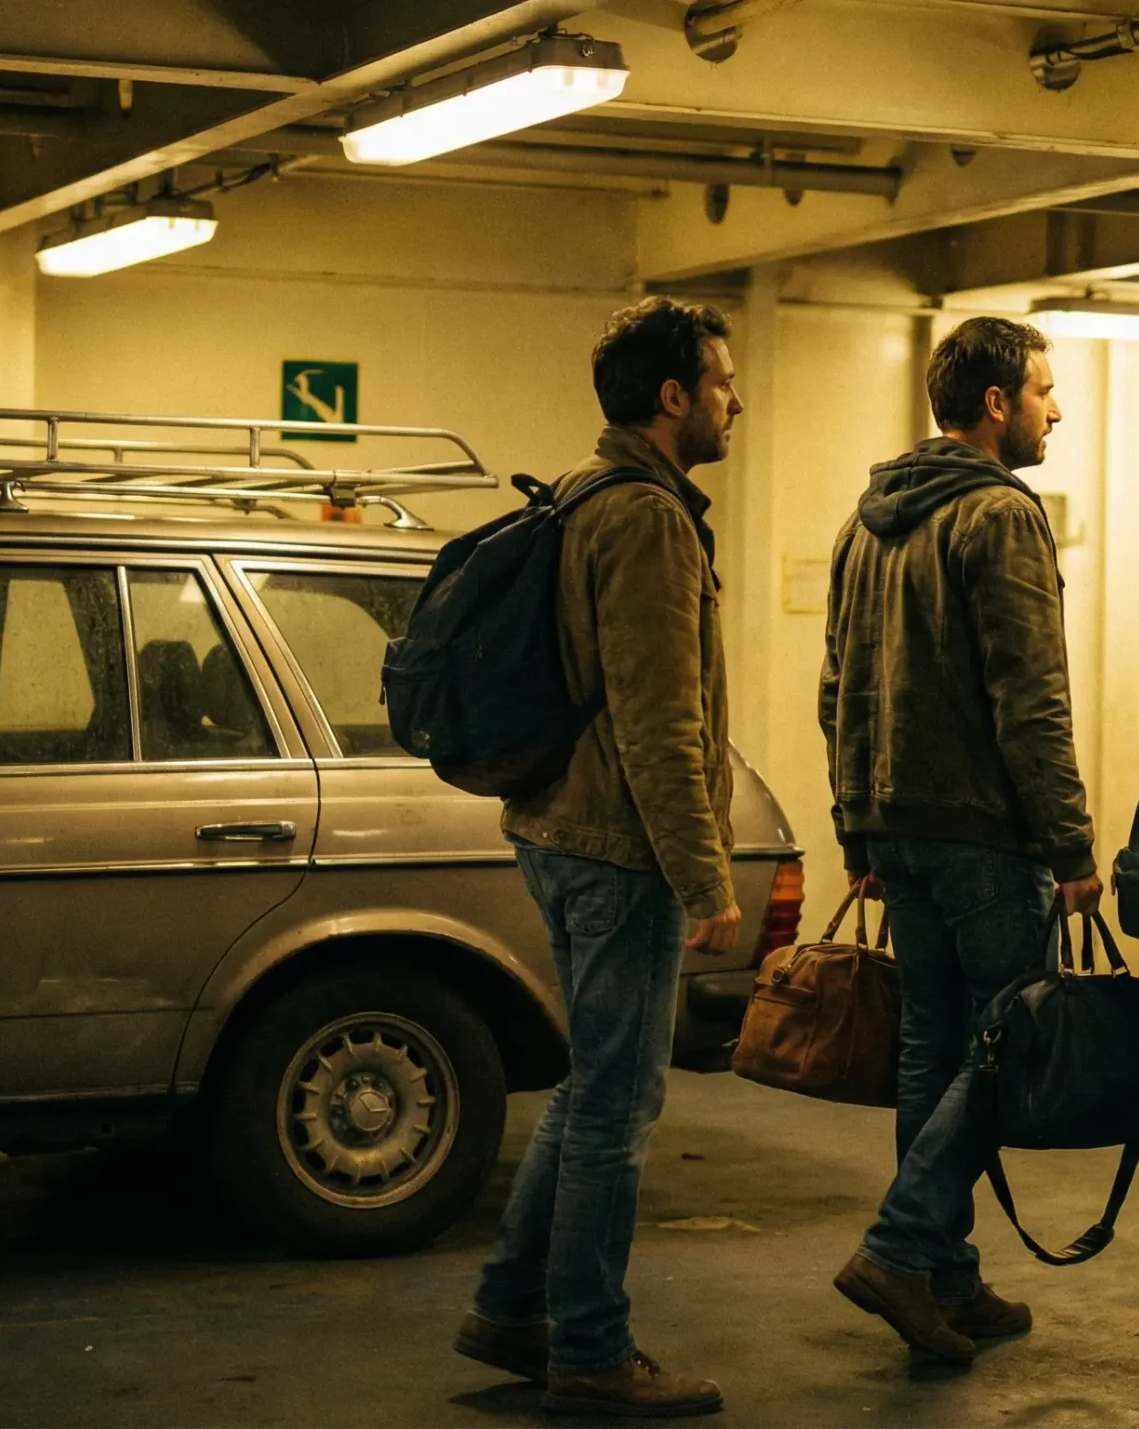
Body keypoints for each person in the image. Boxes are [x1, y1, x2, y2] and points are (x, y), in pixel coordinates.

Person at [454, 297, 745, 1418]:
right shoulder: (647, 519)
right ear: (672, 397)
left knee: (591, 1092)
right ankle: (590, 1348)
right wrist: (703, 872)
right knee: (618, 1107)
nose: (733, 400)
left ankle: (509, 1309)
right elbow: (658, 718)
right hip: (617, 845)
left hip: (557, 825)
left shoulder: (583, 491)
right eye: (720, 382)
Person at [818, 317, 1098, 1365]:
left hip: (899, 826)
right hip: (984, 836)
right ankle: (900, 1250)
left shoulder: (867, 522)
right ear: (995, 403)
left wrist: (858, 821)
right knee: (1001, 1050)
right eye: (1043, 390)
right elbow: (1029, 698)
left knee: (934, 1053)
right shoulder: (997, 517)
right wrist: (1069, 845)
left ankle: (947, 1275)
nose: (1053, 409)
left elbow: (837, 685)